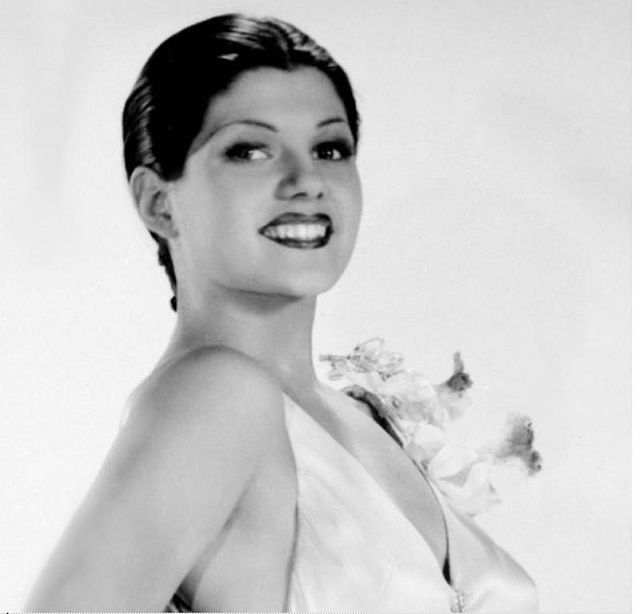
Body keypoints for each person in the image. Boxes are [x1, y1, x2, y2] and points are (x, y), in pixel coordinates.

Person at [25, 14, 538, 612]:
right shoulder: (216, 397)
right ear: (159, 203)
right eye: (249, 150)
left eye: (330, 148)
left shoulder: (363, 414)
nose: (307, 180)